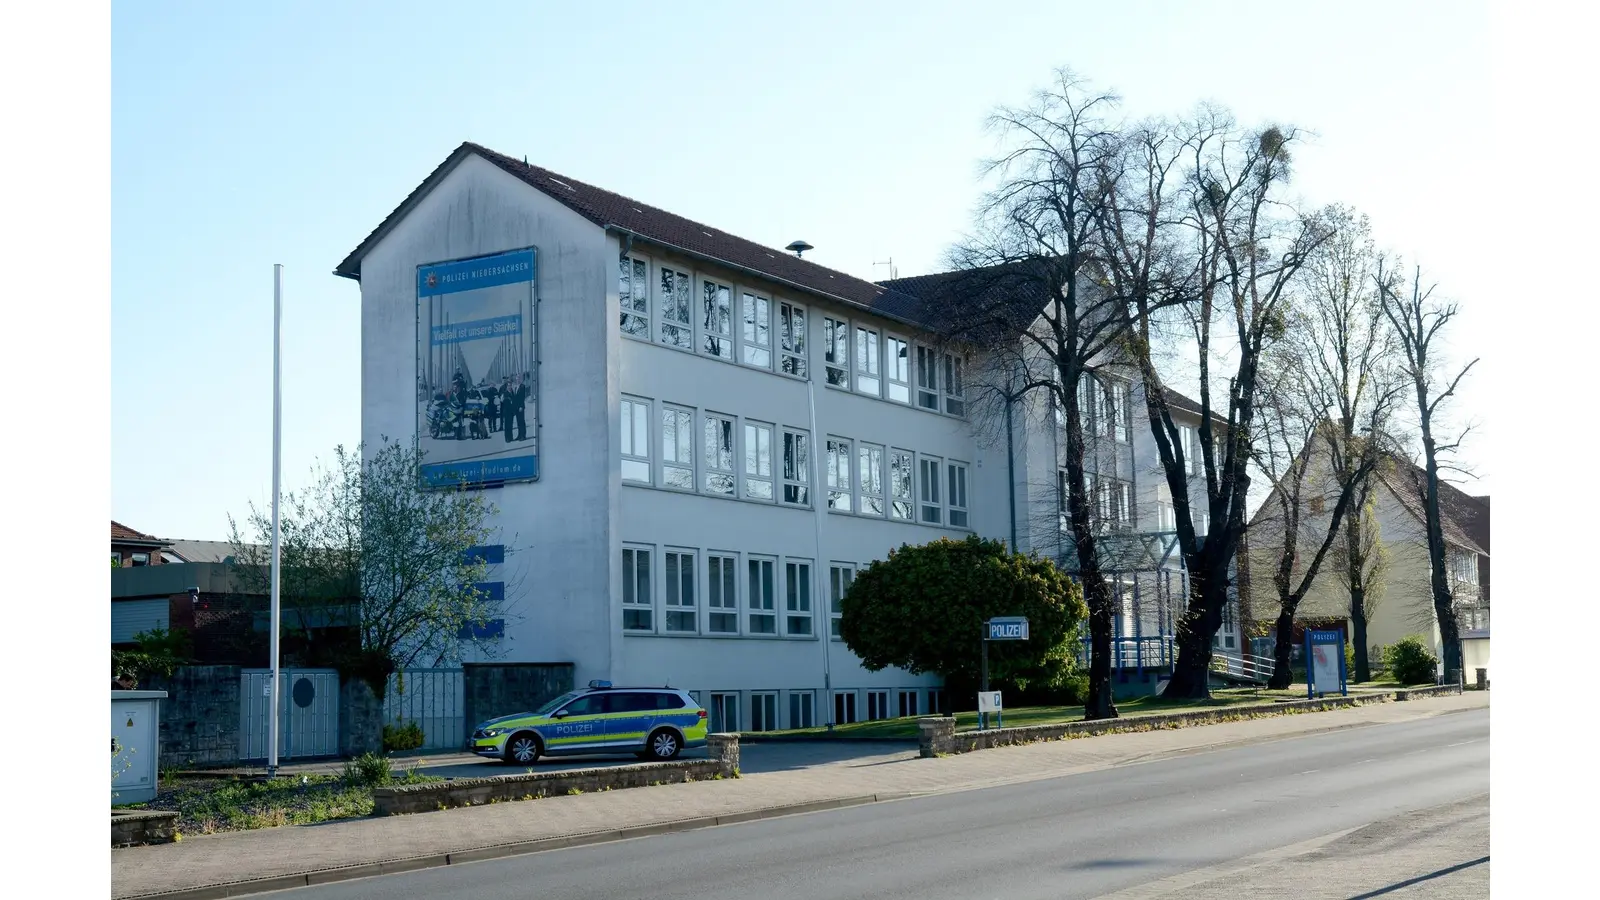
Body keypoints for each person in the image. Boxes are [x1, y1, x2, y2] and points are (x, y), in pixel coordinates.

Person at [505, 374, 528, 443]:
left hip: (520, 407)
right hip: (516, 408)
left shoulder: (522, 386)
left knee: (521, 421)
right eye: (516, 378)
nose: (517, 379)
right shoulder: (515, 387)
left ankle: (523, 436)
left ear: (521, 379)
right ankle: (519, 435)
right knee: (518, 422)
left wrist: (521, 406)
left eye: (519, 378)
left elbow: (522, 397)